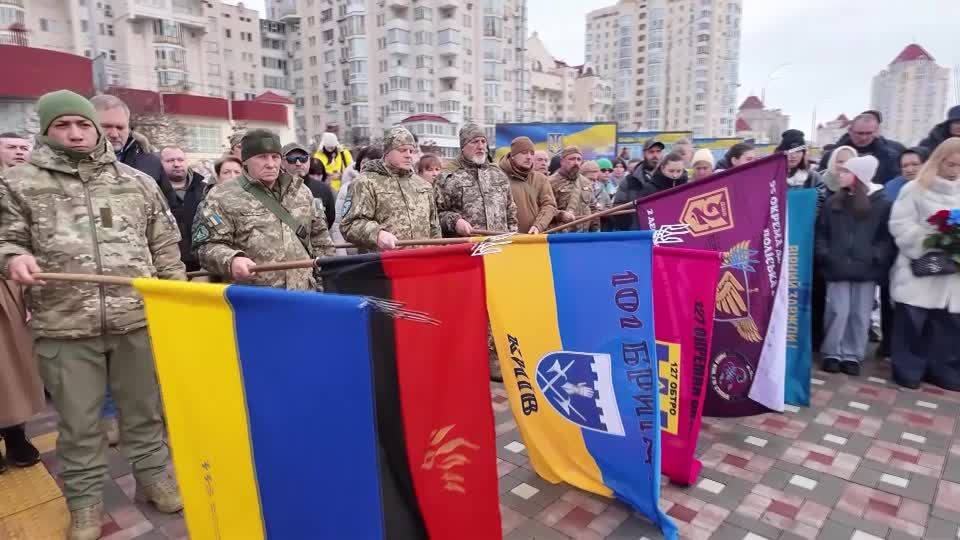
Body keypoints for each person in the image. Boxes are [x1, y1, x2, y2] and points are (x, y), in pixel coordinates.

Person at [0, 90, 186, 539]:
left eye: (83, 124)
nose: (76, 132)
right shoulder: (18, 184)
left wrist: (174, 302)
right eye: (63, 125)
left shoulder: (135, 181)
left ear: (97, 128)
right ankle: (84, 503)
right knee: (79, 423)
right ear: (45, 130)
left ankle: (153, 478)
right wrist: (12, 258)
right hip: (64, 326)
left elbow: (164, 247)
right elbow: (7, 239)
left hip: (135, 321)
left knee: (144, 413)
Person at [193, 129, 336, 290]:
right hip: (256, 299)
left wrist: (326, 282)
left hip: (304, 295)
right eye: (262, 157)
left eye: (275, 157)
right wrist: (232, 260)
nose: (270, 163)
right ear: (245, 160)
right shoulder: (221, 196)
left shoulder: (300, 191)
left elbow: (320, 239)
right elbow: (205, 246)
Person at [888, 137, 960, 390]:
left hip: (952, 275)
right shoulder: (915, 189)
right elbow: (900, 226)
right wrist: (932, 239)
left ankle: (943, 369)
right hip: (919, 269)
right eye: (951, 164)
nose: (955, 171)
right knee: (912, 325)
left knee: (948, 328)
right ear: (939, 161)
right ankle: (908, 370)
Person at [815, 155, 894, 376]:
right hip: (837, 266)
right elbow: (822, 231)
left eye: (846, 172)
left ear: (859, 176)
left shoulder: (882, 203)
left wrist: (875, 255)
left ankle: (852, 354)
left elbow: (885, 237)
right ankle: (832, 352)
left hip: (866, 268)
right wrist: (826, 254)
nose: (840, 174)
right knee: (837, 311)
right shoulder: (833, 202)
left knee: (860, 314)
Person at [0, 132, 41, 476]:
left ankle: (15, 435)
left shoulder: (25, 188)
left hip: (11, 285)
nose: (18, 153)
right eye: (10, 147)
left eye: (22, 147)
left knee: (13, 365)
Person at [340, 127, 441, 252]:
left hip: (422, 262)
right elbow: (349, 225)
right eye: (402, 150)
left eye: (411, 151)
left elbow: (434, 228)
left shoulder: (422, 185)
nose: (408, 155)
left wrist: (436, 254)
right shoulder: (365, 182)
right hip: (384, 264)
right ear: (387, 152)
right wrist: (377, 234)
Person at [90, 94, 176, 210]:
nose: (115, 134)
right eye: (106, 127)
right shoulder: (70, 165)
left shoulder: (150, 162)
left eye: (120, 127)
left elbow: (171, 209)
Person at [435, 123, 518, 237]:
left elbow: (510, 210)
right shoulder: (448, 176)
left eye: (483, 141)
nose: (480, 146)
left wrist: (513, 237)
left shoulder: (498, 174)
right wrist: (455, 221)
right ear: (463, 146)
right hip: (466, 247)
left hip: (498, 245)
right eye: (474, 142)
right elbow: (435, 214)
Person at [818, 113, 905, 185]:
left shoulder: (893, 153)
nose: (864, 138)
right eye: (860, 133)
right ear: (850, 130)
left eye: (869, 133)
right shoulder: (832, 155)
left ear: (877, 131)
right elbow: (820, 183)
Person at [612, 152, 688, 230]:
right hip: (656, 232)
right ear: (662, 168)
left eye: (679, 171)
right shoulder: (650, 188)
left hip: (681, 231)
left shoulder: (687, 188)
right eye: (671, 171)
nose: (675, 175)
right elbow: (641, 216)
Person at [160, 146, 206, 272]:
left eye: (180, 160)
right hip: (168, 266)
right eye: (170, 161)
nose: (176, 164)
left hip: (203, 265)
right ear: (160, 164)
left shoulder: (205, 190)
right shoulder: (154, 191)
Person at [497, 137, 556, 235]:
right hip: (504, 239)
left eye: (531, 153)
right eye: (524, 152)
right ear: (513, 155)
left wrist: (538, 226)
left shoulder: (540, 179)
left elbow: (549, 205)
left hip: (534, 239)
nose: (529, 157)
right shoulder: (497, 177)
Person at [282, 143, 336, 228]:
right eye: (291, 159)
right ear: (282, 163)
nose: (298, 163)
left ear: (309, 161)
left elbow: (329, 219)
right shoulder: (275, 189)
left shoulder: (322, 188)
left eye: (303, 158)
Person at [549, 147, 599, 233]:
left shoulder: (585, 182)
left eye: (579, 159)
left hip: (583, 235)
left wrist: (596, 230)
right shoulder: (550, 182)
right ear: (562, 161)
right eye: (572, 159)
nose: (576, 163)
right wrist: (560, 215)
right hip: (560, 235)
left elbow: (592, 207)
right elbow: (545, 209)